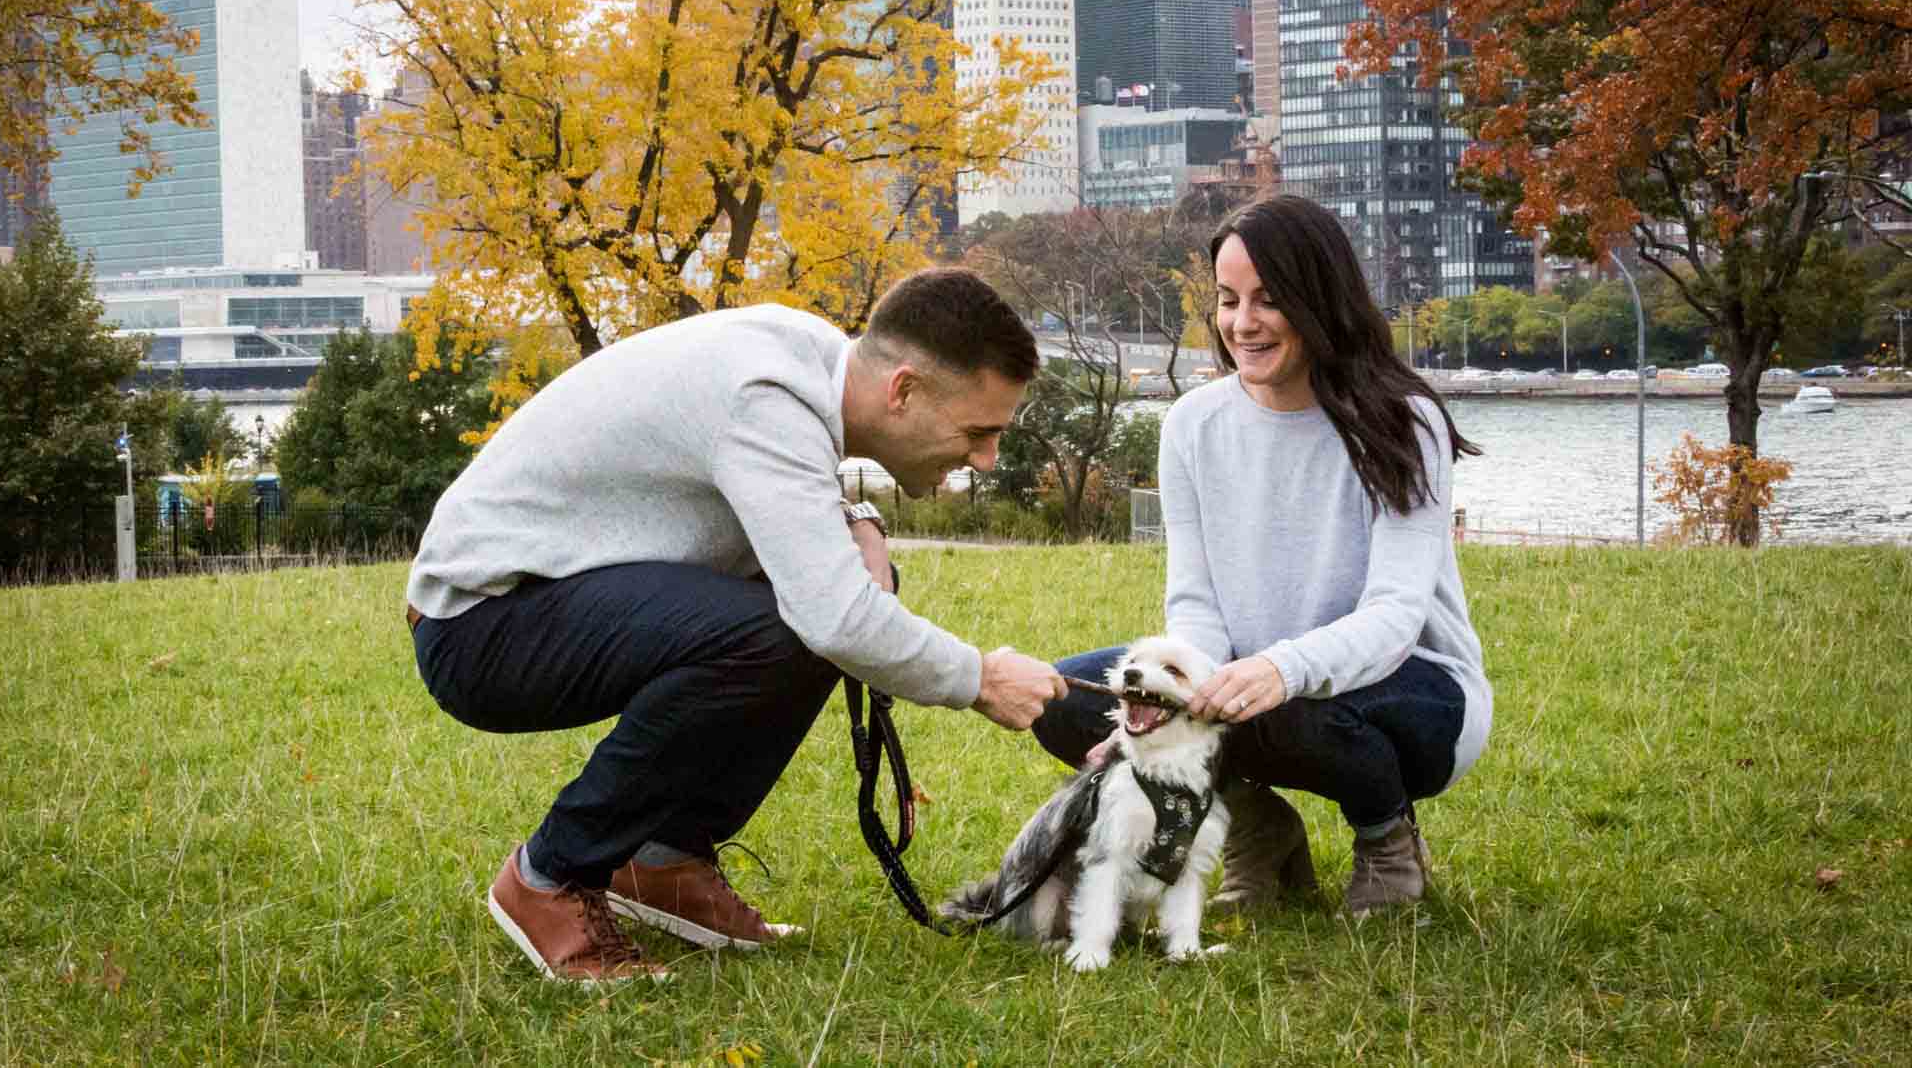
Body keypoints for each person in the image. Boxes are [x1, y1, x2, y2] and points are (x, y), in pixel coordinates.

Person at [406, 268, 1069, 983]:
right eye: (979, 432)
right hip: (480, 624)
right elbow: (834, 614)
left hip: (540, 598)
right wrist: (982, 677)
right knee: (804, 622)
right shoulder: (770, 395)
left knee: (826, 604)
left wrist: (857, 520)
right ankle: (552, 874)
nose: (987, 458)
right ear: (902, 391)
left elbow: (792, 513)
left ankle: (664, 857)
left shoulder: (814, 361)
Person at [1032, 195, 1492, 914]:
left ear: (1318, 300)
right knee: (1066, 700)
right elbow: (1195, 601)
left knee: (1293, 705)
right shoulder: (1192, 425)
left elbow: (1397, 615)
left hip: (1412, 690)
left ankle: (1387, 840)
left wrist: (1280, 669)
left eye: (1268, 299)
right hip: (1249, 682)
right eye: (1227, 299)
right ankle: (1260, 825)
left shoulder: (1405, 420)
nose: (1242, 323)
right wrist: (1175, 692)